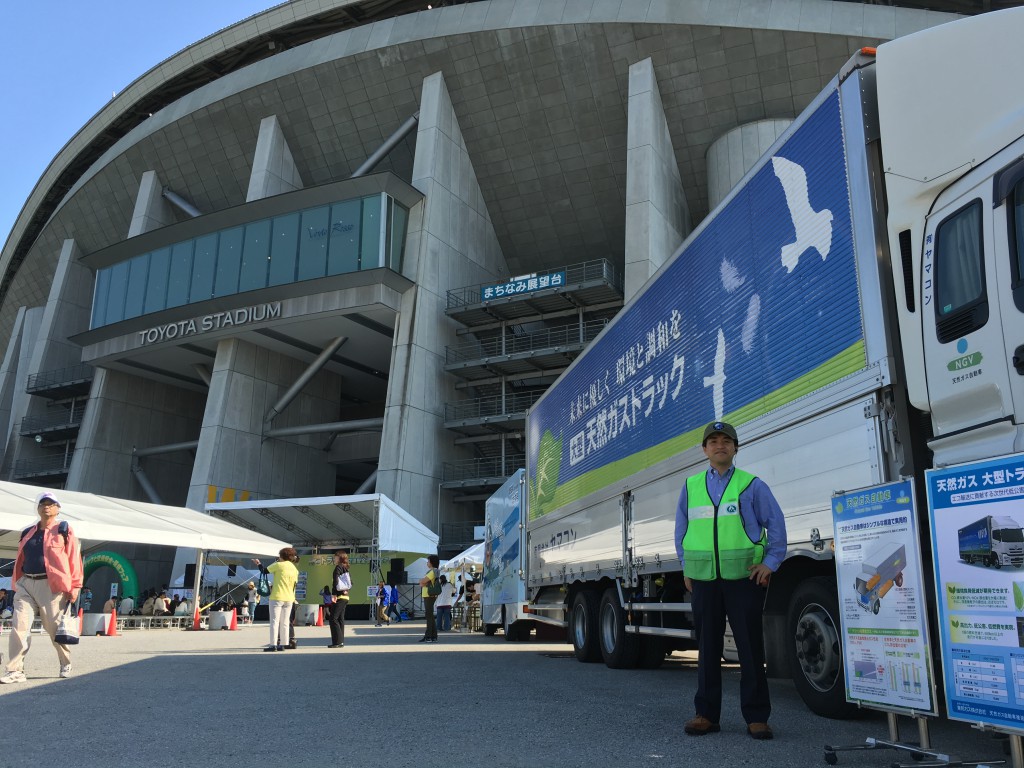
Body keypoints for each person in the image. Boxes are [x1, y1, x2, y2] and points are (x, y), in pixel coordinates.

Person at [675, 421, 787, 741]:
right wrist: (686, 567)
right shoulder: (691, 485)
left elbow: (775, 525)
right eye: (713, 441)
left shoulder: (751, 485)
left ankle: (756, 717)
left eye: (726, 440)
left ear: (736, 448)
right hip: (703, 579)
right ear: (705, 450)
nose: (719, 445)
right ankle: (706, 715)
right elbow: (682, 531)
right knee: (708, 648)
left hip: (743, 578)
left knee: (750, 648)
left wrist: (770, 562)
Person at [1, 491, 83, 683]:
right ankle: (15, 670)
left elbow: (74, 559)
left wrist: (75, 586)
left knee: (54, 628)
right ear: (38, 509)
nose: (46, 506)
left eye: (51, 503)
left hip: (52, 585)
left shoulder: (64, 530)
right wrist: (17, 582)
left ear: (57, 509)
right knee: (19, 626)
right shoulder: (27, 533)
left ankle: (65, 661)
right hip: (26, 583)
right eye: (43, 503)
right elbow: (20, 558)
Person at [253, 548, 299, 652]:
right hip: (289, 598)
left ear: (281, 556)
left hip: (277, 597)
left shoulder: (278, 565)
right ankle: (283, 644)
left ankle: (273, 645)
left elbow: (264, 571)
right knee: (285, 622)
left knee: (275, 621)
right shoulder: (294, 569)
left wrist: (258, 563)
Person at [328, 551, 351, 648]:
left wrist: (334, 594)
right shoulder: (346, 568)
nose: (334, 559)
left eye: (335, 557)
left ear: (340, 558)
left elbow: (335, 581)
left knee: (333, 618)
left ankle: (337, 642)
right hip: (345, 597)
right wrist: (345, 590)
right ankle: (340, 641)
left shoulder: (338, 567)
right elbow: (351, 583)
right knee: (340, 619)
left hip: (339, 597)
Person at [418, 555, 440, 643]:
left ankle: (428, 636)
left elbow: (422, 582)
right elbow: (422, 583)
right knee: (430, 616)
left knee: (429, 616)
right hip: (429, 595)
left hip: (428, 595)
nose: (427, 563)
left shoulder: (432, 572)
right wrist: (422, 582)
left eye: (428, 561)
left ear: (432, 562)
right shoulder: (435, 571)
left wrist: (422, 581)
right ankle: (433, 635)